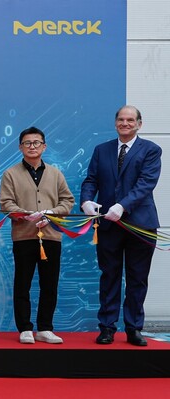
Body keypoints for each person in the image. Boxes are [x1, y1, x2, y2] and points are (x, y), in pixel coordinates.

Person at [81, 105, 161, 347]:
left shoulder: (151, 150)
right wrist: (86, 200)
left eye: (130, 120)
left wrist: (122, 206)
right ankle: (107, 327)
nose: (125, 123)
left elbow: (146, 183)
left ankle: (134, 328)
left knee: (137, 278)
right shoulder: (101, 150)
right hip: (108, 225)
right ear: (115, 122)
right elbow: (91, 179)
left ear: (139, 124)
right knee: (109, 277)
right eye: (121, 119)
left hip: (140, 225)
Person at [0, 126, 75, 344]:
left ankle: (45, 328)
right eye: (27, 143)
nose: (32, 146)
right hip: (24, 236)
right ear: (20, 147)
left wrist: (51, 213)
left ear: (44, 146)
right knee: (22, 284)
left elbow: (68, 200)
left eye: (36, 143)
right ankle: (24, 328)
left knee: (49, 285)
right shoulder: (11, 174)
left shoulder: (55, 173)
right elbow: (6, 203)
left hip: (50, 236)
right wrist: (25, 214)